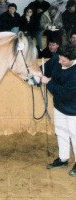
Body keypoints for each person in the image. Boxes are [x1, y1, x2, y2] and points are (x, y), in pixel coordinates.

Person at [41, 43, 76, 177]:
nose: (60, 61)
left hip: (73, 110)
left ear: (72, 59)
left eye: (63, 60)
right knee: (61, 132)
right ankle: (63, 159)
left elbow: (62, 92)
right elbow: (45, 68)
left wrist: (48, 82)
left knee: (75, 136)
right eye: (60, 58)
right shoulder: (57, 59)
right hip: (59, 106)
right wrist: (37, 74)